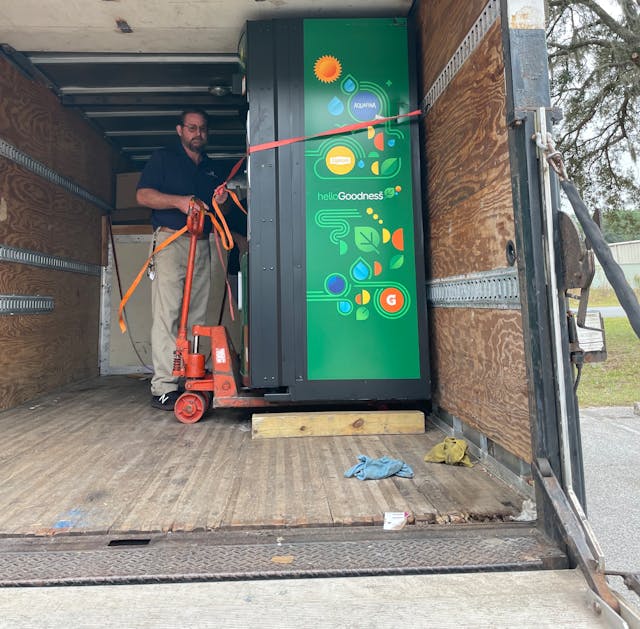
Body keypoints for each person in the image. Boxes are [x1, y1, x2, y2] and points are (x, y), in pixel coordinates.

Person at [136, 108, 229, 410]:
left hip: (203, 244)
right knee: (169, 314)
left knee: (198, 317)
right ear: (180, 130)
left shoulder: (212, 168)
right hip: (171, 241)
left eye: (202, 129)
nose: (197, 134)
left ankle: (193, 377)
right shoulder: (162, 158)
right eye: (191, 128)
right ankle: (163, 387)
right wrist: (178, 201)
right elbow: (143, 196)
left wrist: (222, 203)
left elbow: (218, 214)